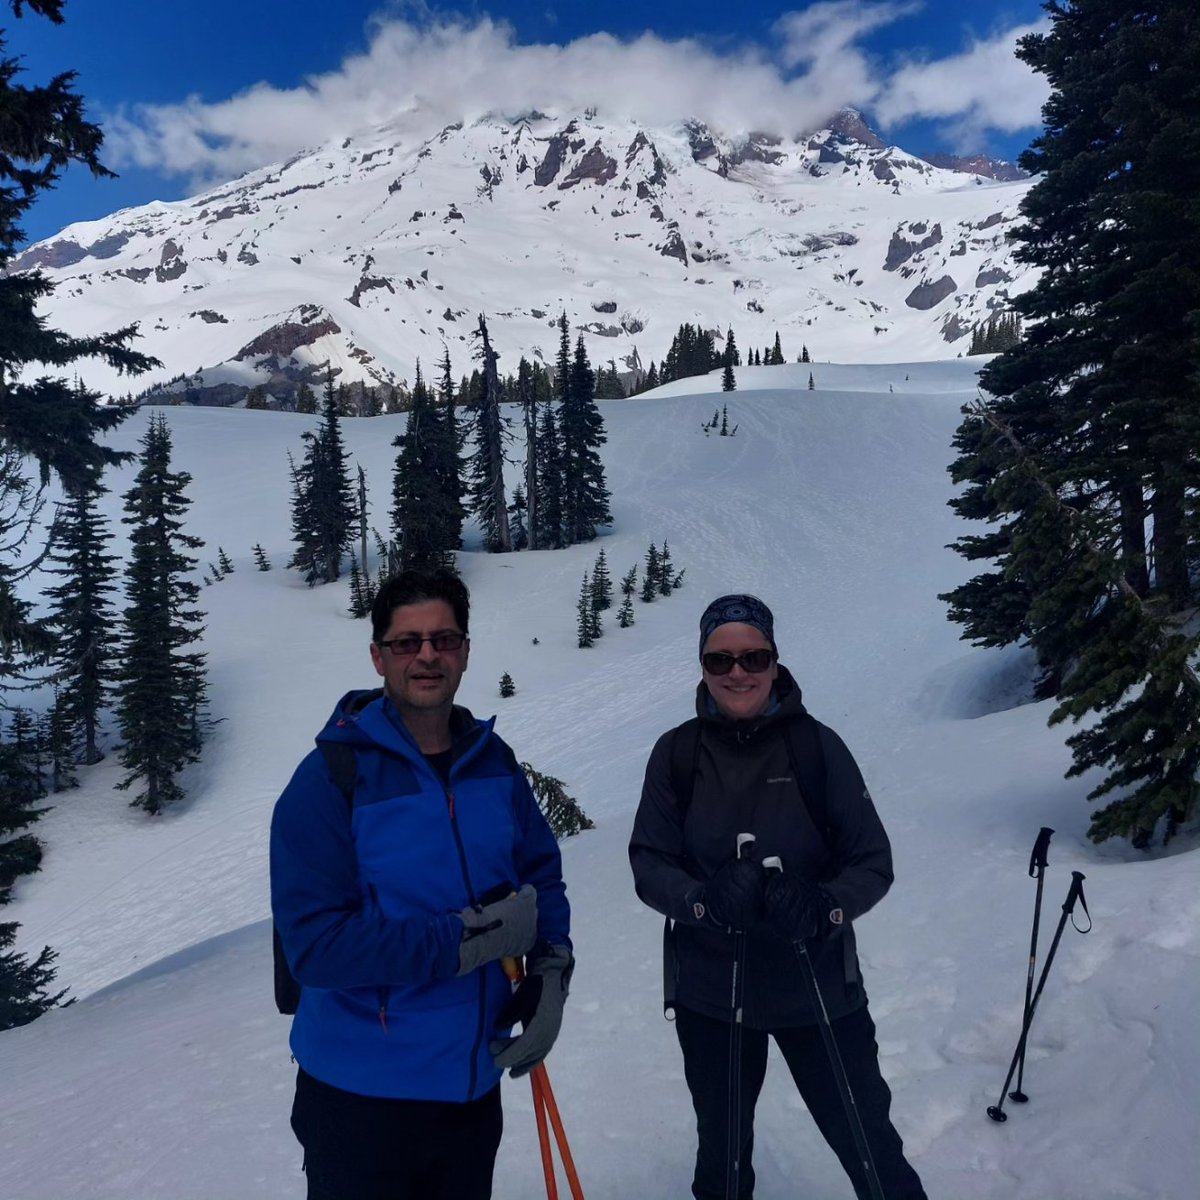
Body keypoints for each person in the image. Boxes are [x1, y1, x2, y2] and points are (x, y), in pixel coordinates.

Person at [271, 567, 572, 1200]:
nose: (428, 655)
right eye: (408, 642)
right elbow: (316, 947)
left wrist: (551, 970)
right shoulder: (329, 780)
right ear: (378, 656)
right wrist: (464, 941)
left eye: (445, 639)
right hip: (360, 1100)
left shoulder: (494, 763)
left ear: (466, 651)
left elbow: (541, 873)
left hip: (469, 1089)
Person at [629, 594, 926, 1200]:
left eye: (753, 656)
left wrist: (824, 905)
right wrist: (703, 902)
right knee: (723, 1156)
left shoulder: (817, 748)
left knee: (869, 1144)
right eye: (720, 661)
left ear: (774, 660)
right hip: (713, 994)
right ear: (703, 666)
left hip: (816, 983)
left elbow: (872, 862)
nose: (737, 672)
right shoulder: (677, 753)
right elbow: (649, 861)